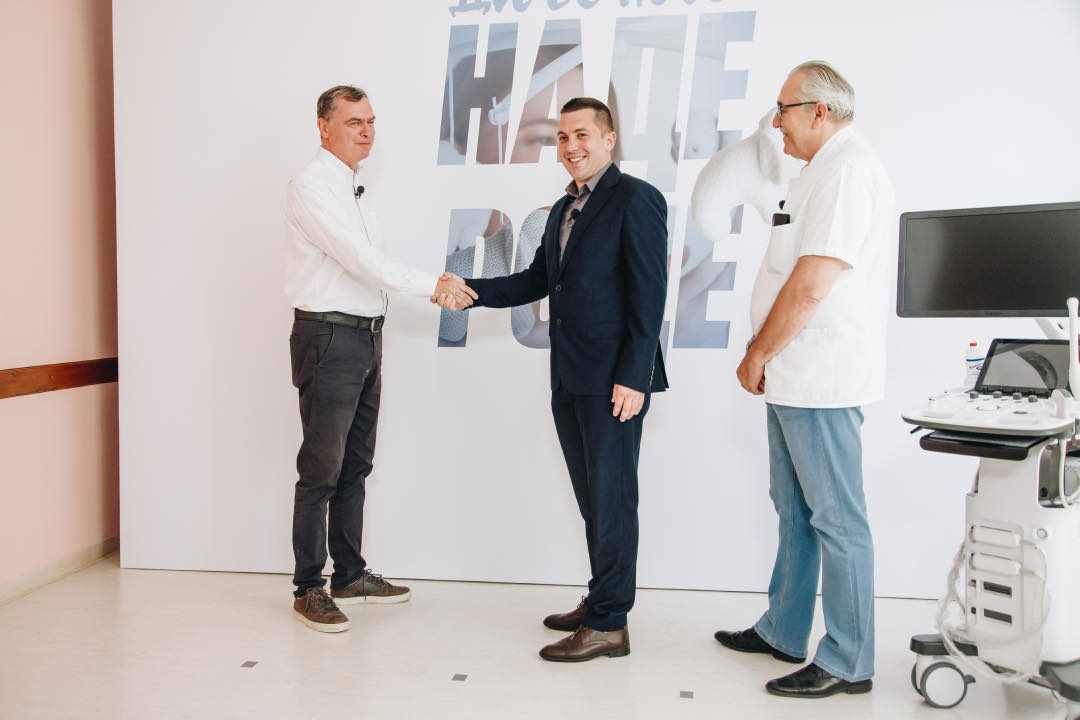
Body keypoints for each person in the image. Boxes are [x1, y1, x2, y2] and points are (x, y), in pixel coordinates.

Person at [439, 97, 668, 662]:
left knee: (613, 501)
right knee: (593, 500)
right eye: (563, 137)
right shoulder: (565, 209)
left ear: (609, 139)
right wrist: (470, 291)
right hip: (569, 377)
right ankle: (601, 600)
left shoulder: (636, 198)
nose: (571, 146)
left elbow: (650, 296)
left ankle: (610, 624)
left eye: (583, 134)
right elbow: (534, 280)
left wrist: (634, 376)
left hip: (614, 384)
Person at [712, 61, 895, 697]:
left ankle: (848, 660)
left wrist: (758, 353)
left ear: (819, 111)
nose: (776, 123)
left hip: (820, 377)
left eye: (783, 109)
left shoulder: (848, 171)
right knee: (793, 509)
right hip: (792, 373)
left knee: (837, 520)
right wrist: (766, 353)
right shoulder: (817, 171)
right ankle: (784, 629)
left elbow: (814, 282)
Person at [285, 85, 476, 632]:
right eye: (353, 122)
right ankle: (308, 586)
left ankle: (349, 574)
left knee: (356, 463)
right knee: (321, 469)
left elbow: (371, 266)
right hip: (329, 338)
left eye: (370, 121)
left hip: (365, 336)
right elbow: (362, 261)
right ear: (323, 127)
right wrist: (432, 285)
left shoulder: (355, 187)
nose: (366, 131)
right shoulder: (311, 187)